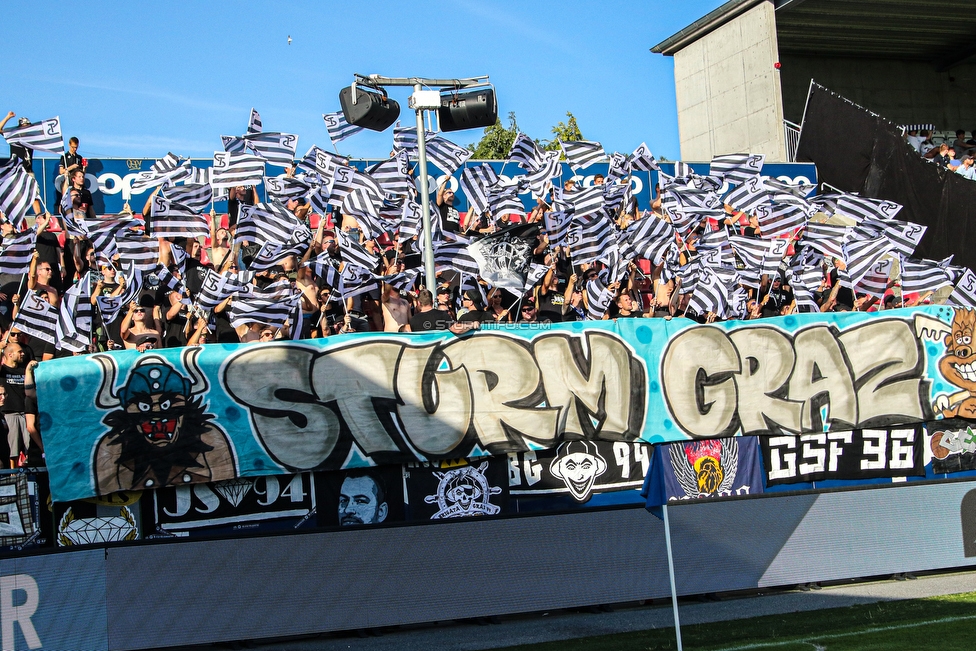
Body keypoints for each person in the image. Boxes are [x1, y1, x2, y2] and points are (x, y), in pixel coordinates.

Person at [0, 343, 37, 467]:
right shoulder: (2, 371)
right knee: (12, 450)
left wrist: (28, 371)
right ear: (10, 354)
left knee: (29, 447)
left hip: (26, 413)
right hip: (9, 413)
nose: (23, 354)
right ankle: (12, 476)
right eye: (19, 352)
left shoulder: (24, 370)